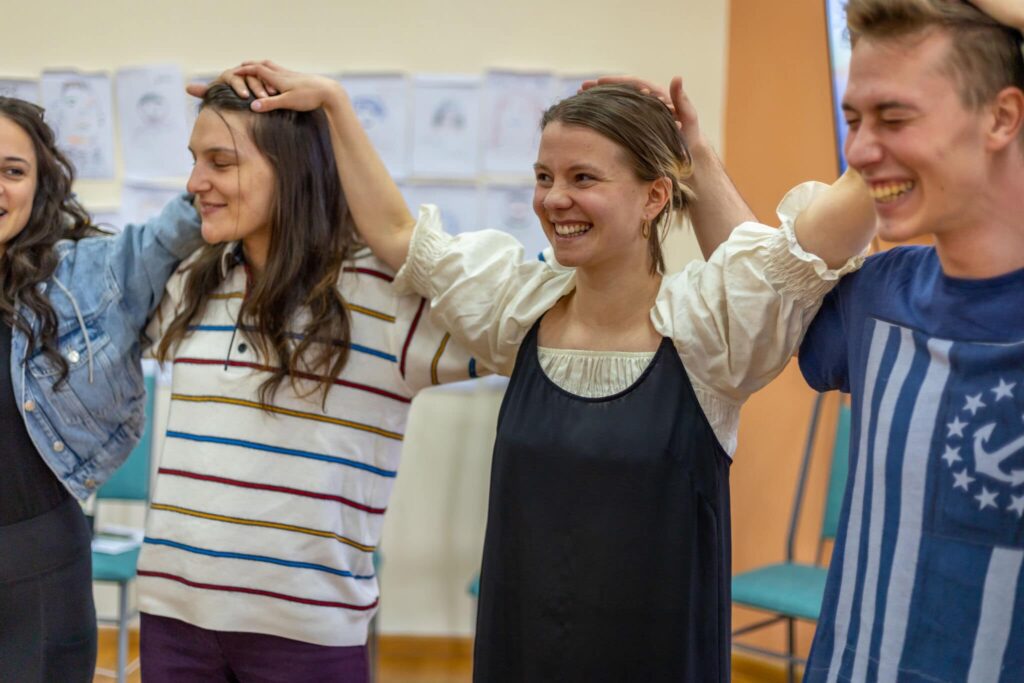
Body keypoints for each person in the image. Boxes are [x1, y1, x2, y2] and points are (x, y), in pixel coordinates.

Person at [221, 61, 876, 681]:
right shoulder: (519, 306)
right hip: (523, 653)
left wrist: (702, 152)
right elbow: (397, 236)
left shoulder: (706, 333)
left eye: (583, 178)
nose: (554, 198)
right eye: (543, 176)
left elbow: (816, 237)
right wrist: (334, 102)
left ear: (654, 197)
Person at [624, 0, 1024, 679]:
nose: (861, 151)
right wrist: (693, 163)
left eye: (895, 118)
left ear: (1002, 117)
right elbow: (760, 296)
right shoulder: (882, 295)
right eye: (854, 119)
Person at [135, 82, 480, 682]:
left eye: (220, 162)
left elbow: (517, 325)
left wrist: (337, 106)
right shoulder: (192, 279)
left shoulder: (385, 295)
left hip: (306, 637)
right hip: (173, 622)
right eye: (194, 161)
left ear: (293, 172)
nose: (194, 183)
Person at [0, 96, 201, 681]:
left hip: (39, 562)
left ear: (40, 186)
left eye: (13, 171)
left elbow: (175, 231)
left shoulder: (87, 272)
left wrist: (246, 130)